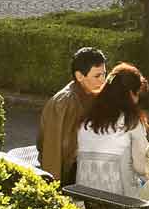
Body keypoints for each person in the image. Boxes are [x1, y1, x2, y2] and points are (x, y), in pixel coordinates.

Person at [75, 63, 149, 197]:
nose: (137, 99)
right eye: (137, 94)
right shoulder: (131, 122)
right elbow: (142, 167)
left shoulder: (87, 119)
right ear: (130, 93)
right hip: (120, 204)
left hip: (85, 202)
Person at [38, 46, 109, 186]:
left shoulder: (92, 94)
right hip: (66, 174)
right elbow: (53, 152)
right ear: (79, 76)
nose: (102, 80)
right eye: (97, 76)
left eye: (104, 74)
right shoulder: (64, 103)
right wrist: (53, 192)